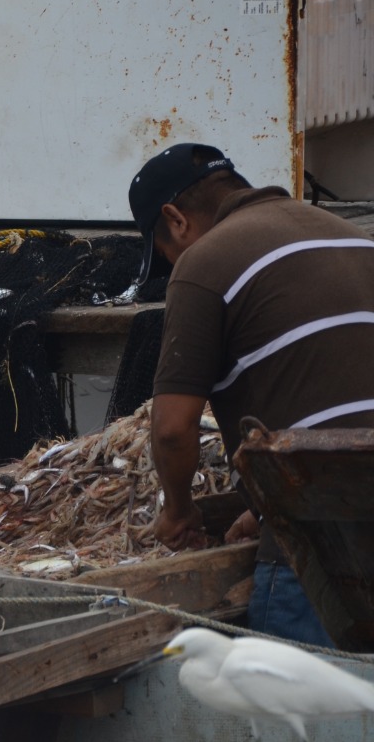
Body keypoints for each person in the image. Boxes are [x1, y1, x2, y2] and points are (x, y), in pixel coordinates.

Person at [133, 143, 374, 647]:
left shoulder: (205, 261)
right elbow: (334, 389)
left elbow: (174, 431)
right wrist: (263, 503)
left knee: (298, 720)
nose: (172, 261)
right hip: (342, 493)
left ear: (175, 219)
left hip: (321, 534)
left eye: (164, 251)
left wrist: (178, 511)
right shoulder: (357, 239)